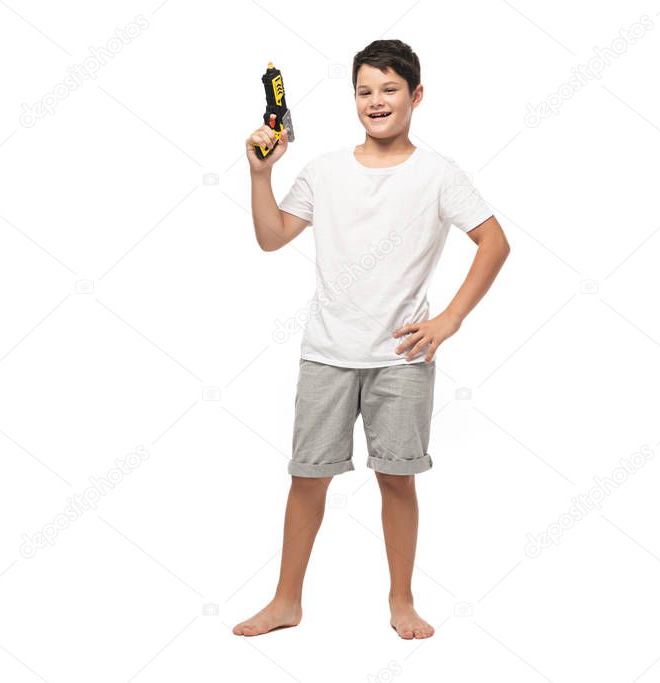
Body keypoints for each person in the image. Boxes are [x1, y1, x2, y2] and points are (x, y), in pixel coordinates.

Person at [234, 39, 510, 640]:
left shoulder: (438, 173)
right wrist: (262, 173)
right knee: (307, 477)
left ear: (416, 95)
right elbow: (271, 236)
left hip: (401, 359)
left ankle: (402, 601)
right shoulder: (325, 170)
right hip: (326, 353)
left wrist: (449, 321)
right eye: (364, 91)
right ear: (353, 98)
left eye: (389, 89)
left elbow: (495, 244)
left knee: (396, 477)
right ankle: (286, 601)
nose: (375, 101)